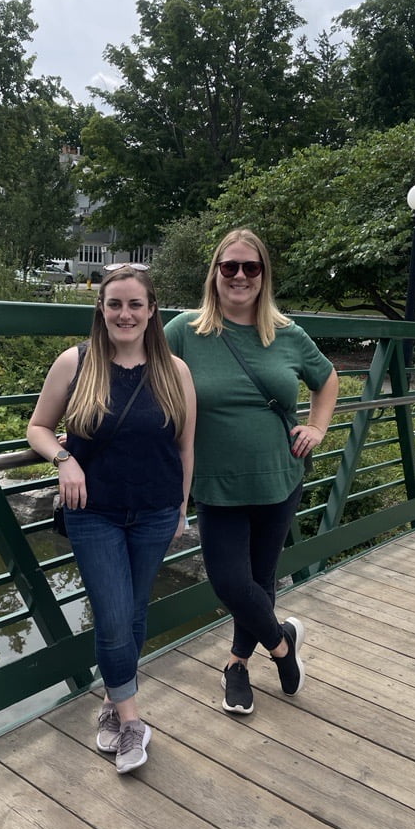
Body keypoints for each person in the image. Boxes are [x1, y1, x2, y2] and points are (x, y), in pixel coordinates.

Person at [27, 264, 196, 772]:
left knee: (135, 611)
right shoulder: (75, 363)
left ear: (151, 311)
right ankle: (133, 719)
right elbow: (38, 426)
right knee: (115, 614)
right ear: (100, 309)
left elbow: (186, 447)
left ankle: (108, 700)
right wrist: (64, 459)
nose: (125, 313)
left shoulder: (175, 372)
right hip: (93, 512)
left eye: (135, 305)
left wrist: (182, 508)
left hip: (155, 511)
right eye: (114, 304)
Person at [164, 229, 338, 715]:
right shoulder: (183, 331)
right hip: (215, 483)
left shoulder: (287, 334)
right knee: (229, 582)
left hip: (279, 477)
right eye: (229, 266)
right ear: (214, 273)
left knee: (260, 581)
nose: (239, 276)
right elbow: (140, 374)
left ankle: (237, 665)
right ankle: (282, 646)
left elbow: (327, 381)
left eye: (251, 267)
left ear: (263, 276)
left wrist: (318, 428)